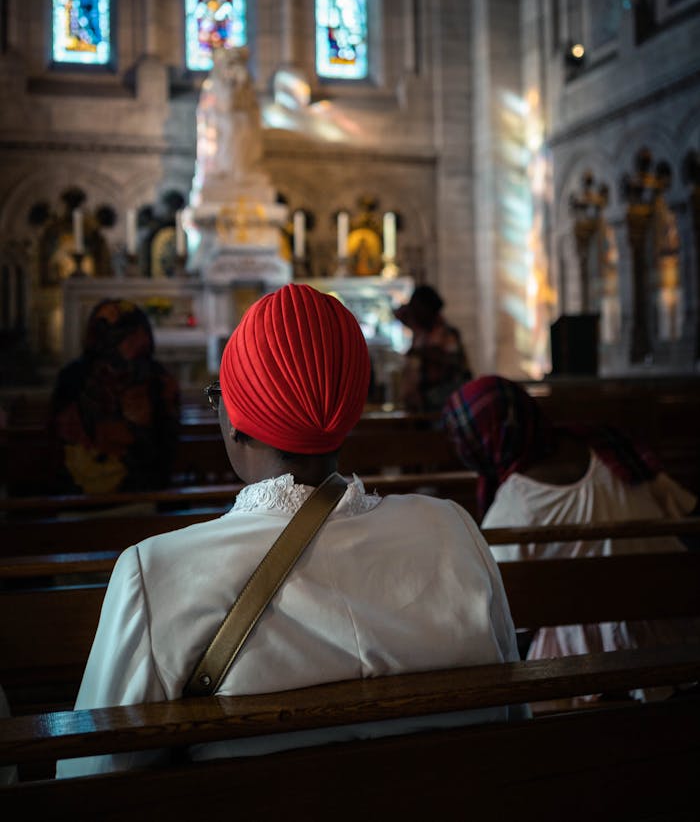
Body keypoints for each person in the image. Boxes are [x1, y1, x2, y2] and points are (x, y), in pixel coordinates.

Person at [57, 284, 521, 777]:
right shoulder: (452, 530)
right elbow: (514, 719)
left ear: (235, 419)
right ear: (350, 407)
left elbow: (90, 777)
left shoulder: (153, 575)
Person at [441, 375, 699, 685]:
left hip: (581, 670)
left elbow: (501, 615)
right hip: (677, 636)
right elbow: (685, 508)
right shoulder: (612, 448)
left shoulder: (516, 503)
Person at [49, 299, 181, 494]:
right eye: (125, 336)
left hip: (132, 489)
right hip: (132, 488)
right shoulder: (158, 376)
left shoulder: (74, 374)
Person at [395, 284, 471, 412]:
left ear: (429, 309)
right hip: (422, 404)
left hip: (442, 403)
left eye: (419, 308)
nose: (416, 313)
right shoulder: (421, 332)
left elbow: (453, 362)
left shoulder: (447, 334)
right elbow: (398, 313)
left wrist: (422, 353)